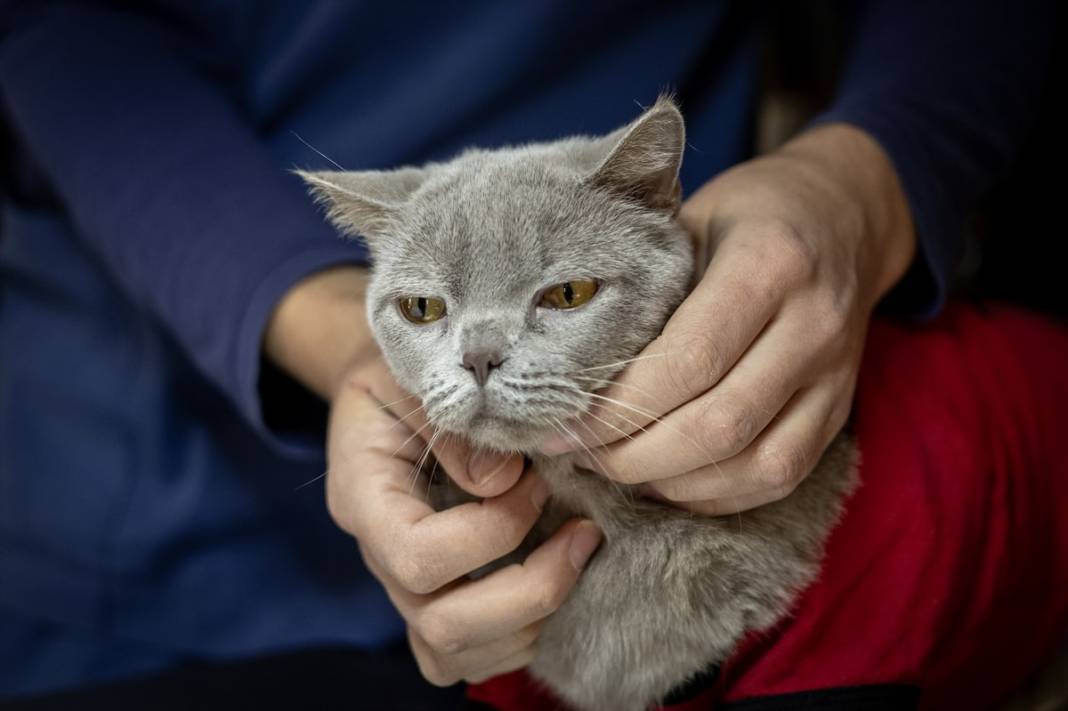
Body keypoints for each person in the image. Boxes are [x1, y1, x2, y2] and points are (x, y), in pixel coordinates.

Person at [0, 1, 1063, 708]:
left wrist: (866, 177)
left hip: (713, 306)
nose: (484, 361)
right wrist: (336, 337)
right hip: (142, 484)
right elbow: (58, 29)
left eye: (558, 299)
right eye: (422, 312)